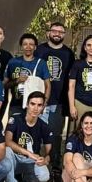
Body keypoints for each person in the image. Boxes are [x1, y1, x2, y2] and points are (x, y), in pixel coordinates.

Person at [36, 22, 75, 171]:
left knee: (56, 135)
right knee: (38, 133)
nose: (57, 34)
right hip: (40, 100)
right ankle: (38, 163)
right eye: (54, 31)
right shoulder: (40, 50)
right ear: (48, 33)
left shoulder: (68, 53)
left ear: (64, 35)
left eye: (60, 32)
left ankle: (55, 164)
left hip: (59, 100)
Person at [4, 91, 53, 182]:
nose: (35, 108)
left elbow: (50, 150)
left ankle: (26, 180)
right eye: (32, 104)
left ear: (43, 107)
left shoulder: (44, 126)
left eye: (39, 105)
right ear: (27, 104)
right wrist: (29, 153)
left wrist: (46, 159)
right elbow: (7, 141)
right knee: (7, 151)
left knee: (44, 176)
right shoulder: (15, 119)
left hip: (30, 161)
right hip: (14, 159)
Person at [3, 33, 51, 118]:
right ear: (21, 46)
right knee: (13, 129)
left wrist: (44, 103)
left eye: (31, 44)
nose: (28, 47)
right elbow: (4, 85)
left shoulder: (41, 63)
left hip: (34, 106)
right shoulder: (13, 62)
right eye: (25, 44)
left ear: (35, 47)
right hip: (16, 105)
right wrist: (17, 81)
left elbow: (48, 85)